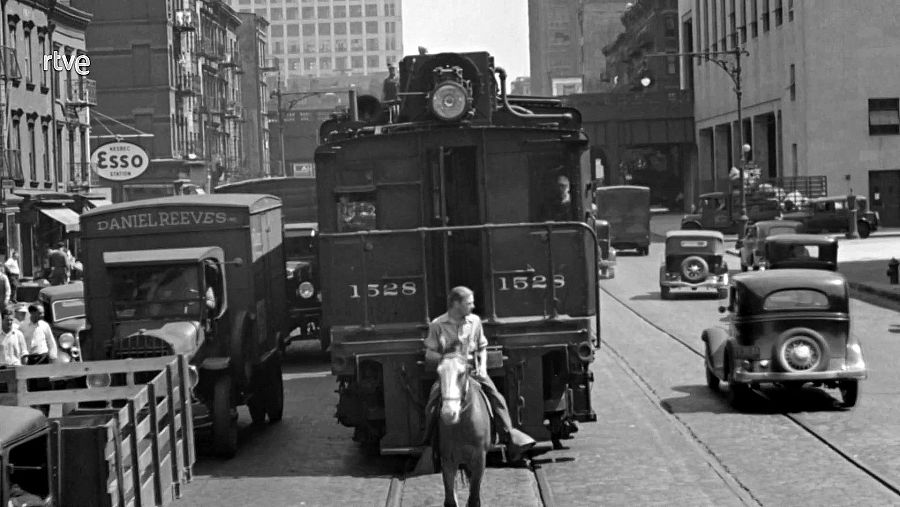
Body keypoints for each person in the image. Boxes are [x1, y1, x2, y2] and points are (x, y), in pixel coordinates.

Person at [422, 286, 536, 462]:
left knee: (496, 396)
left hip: (473, 370)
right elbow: (429, 353)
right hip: (450, 373)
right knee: (433, 399)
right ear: (455, 304)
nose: (473, 306)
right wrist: (446, 358)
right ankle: (429, 440)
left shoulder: (475, 321)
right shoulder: (437, 324)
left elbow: (482, 347)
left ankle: (509, 434)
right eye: (469, 303)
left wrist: (482, 366)